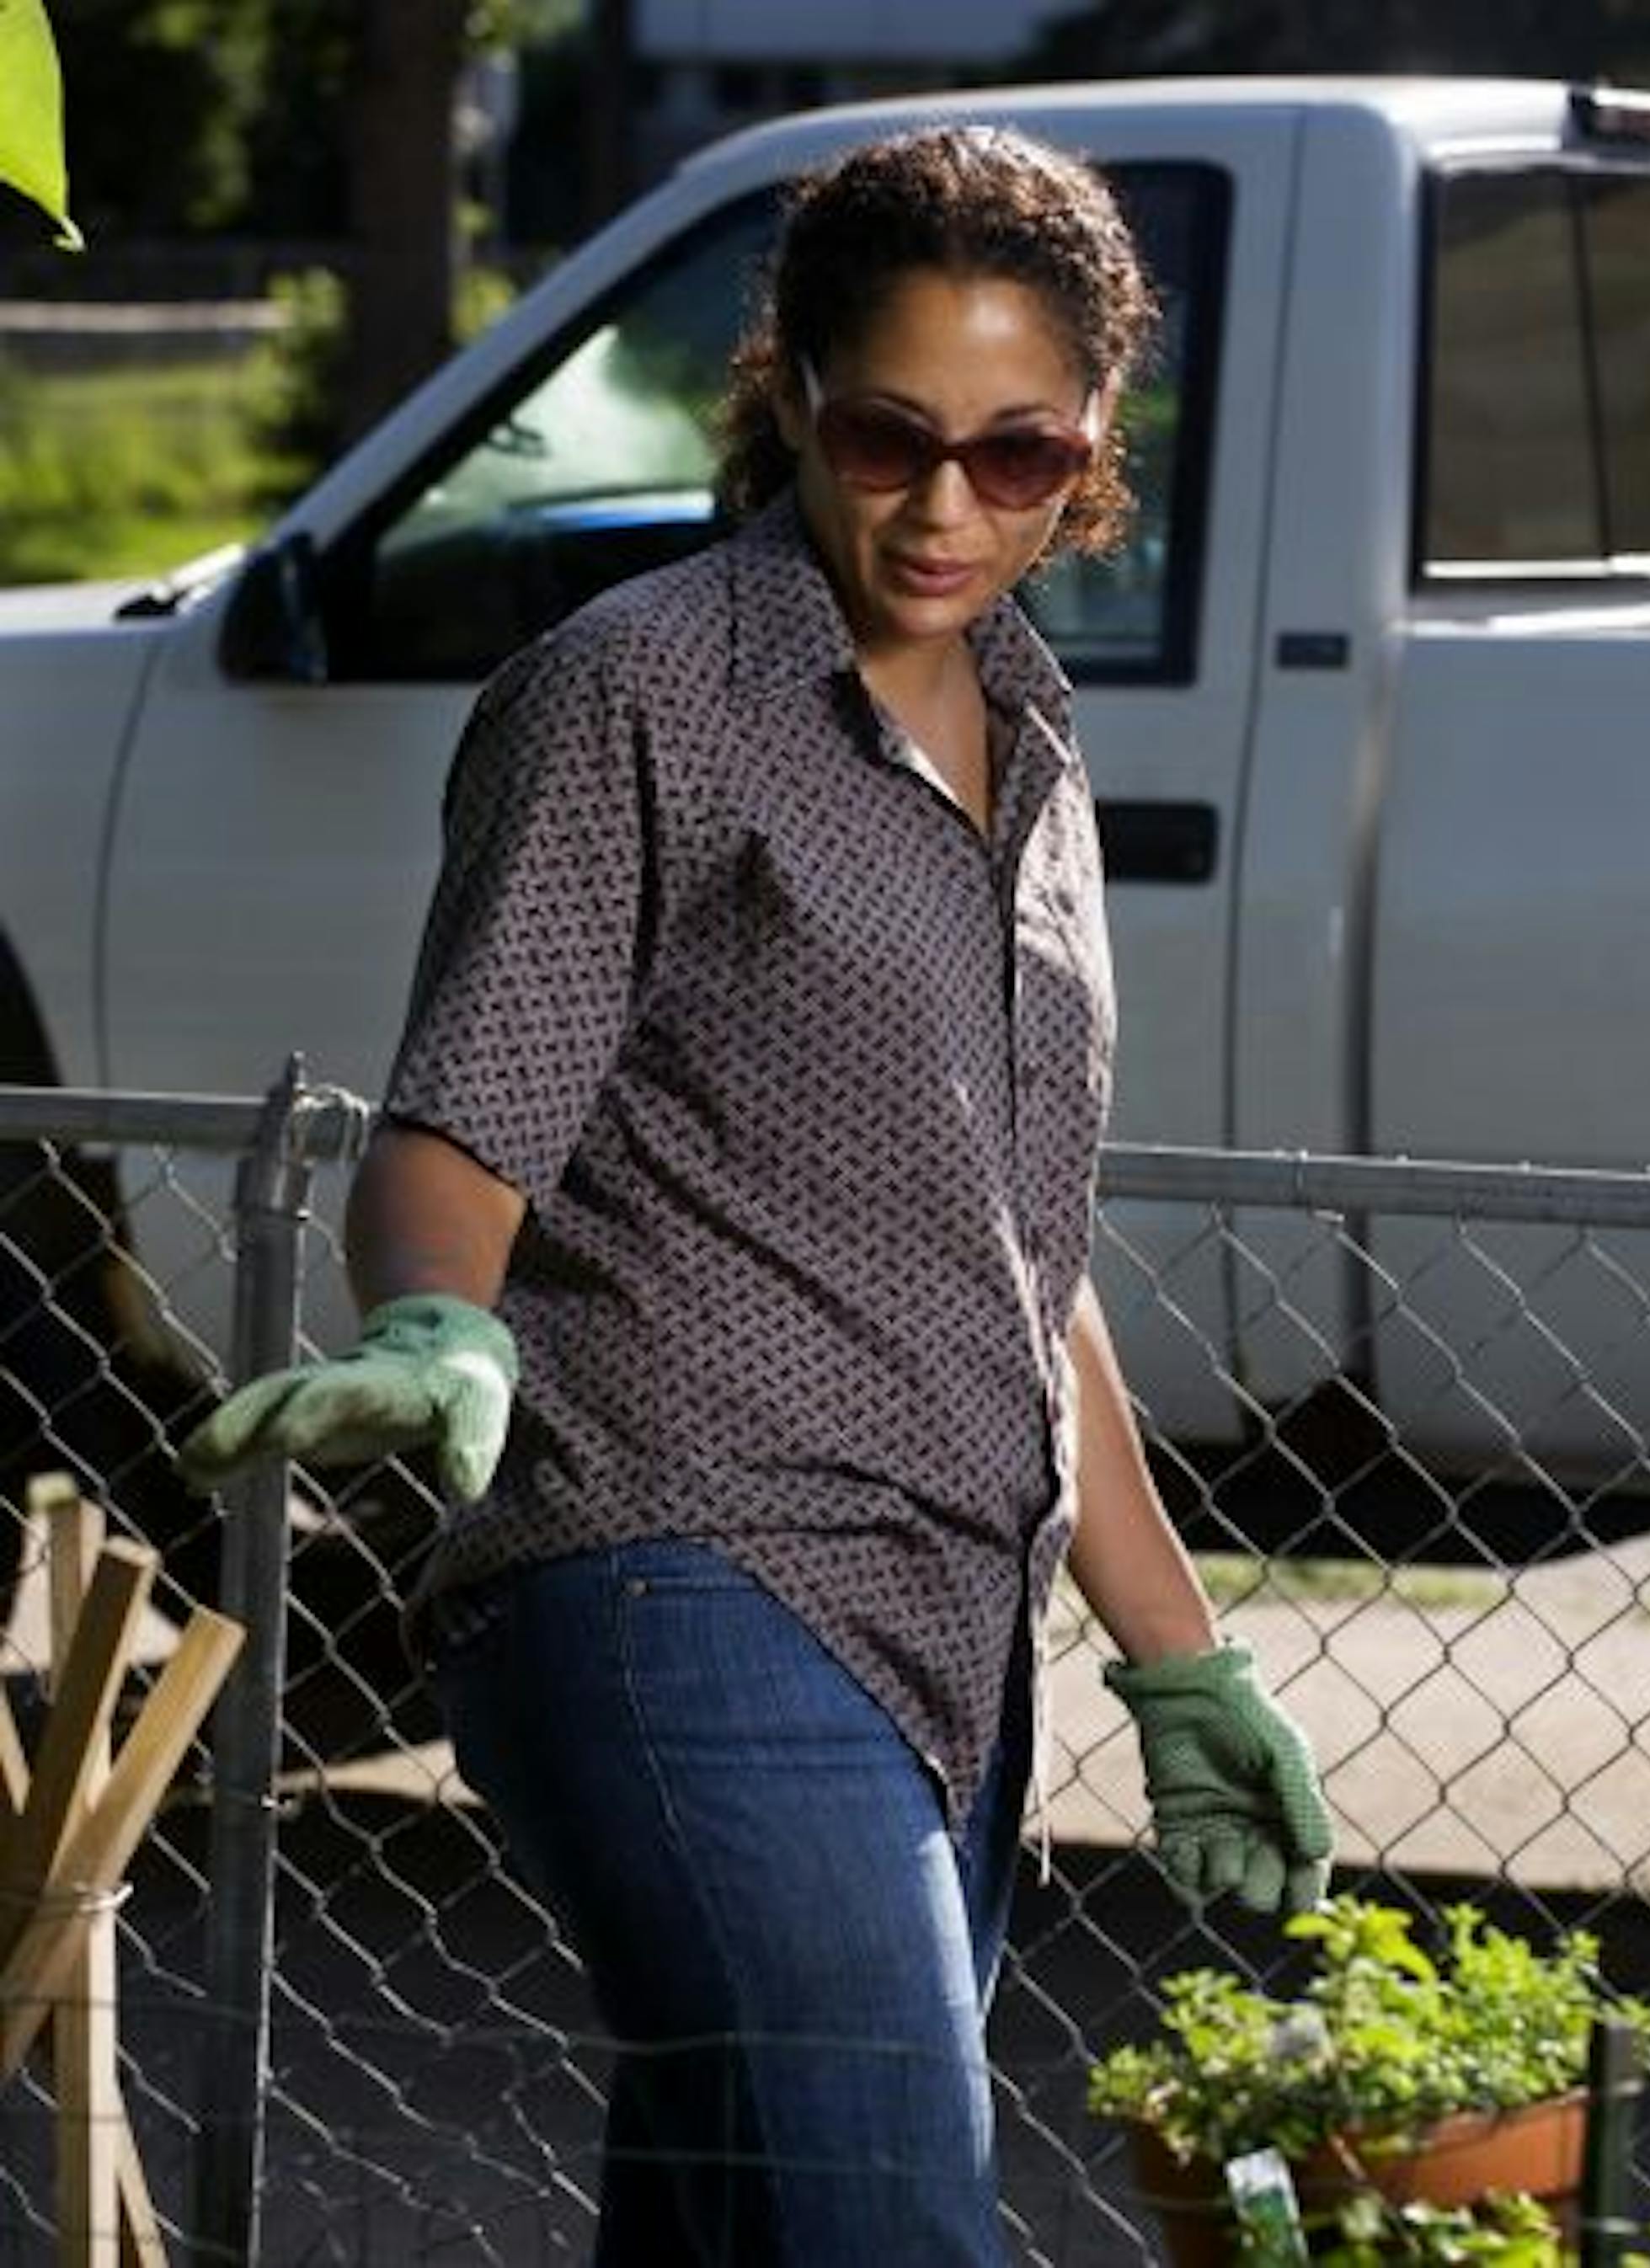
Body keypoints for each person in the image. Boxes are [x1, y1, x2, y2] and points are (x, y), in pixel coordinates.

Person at [180, 123, 1333, 2267]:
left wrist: (1178, 1660)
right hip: (670, 1577)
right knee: (890, 2224)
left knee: (742, 2228)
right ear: (790, 387)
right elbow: (465, 1124)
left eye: (1019, 455)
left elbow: (1020, 1246)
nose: (944, 505)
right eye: (892, 434)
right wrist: (437, 1323)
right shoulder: (643, 692)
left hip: (940, 1632)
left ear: (1089, 455)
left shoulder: (1037, 732)